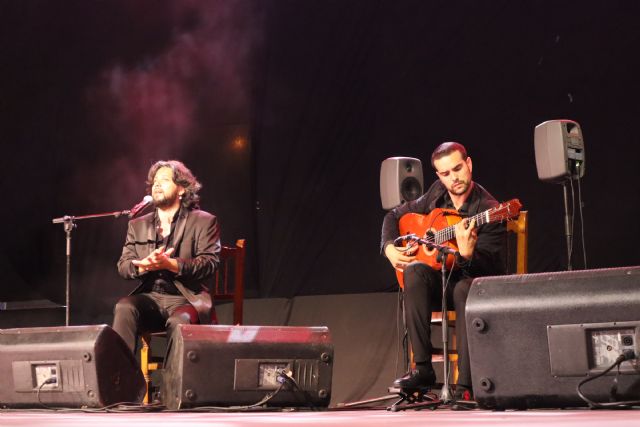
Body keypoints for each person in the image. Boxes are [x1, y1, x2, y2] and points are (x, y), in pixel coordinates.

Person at [380, 142, 506, 399]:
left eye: (458, 169)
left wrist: (467, 255)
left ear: (468, 165)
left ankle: (466, 386)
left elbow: (492, 269)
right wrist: (389, 248)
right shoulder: (436, 193)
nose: (453, 178)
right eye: (445, 173)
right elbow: (393, 216)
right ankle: (423, 370)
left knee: (462, 288)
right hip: (442, 281)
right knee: (414, 271)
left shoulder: (489, 210)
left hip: (476, 288)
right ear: (438, 176)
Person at [113, 160, 221, 353]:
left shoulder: (204, 221)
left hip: (187, 300)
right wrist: (143, 266)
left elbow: (210, 263)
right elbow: (123, 265)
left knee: (179, 322)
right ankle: (120, 380)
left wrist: (171, 264)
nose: (157, 184)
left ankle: (174, 383)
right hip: (151, 298)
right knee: (124, 308)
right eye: (154, 181)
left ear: (181, 189)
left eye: (164, 180)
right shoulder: (137, 225)